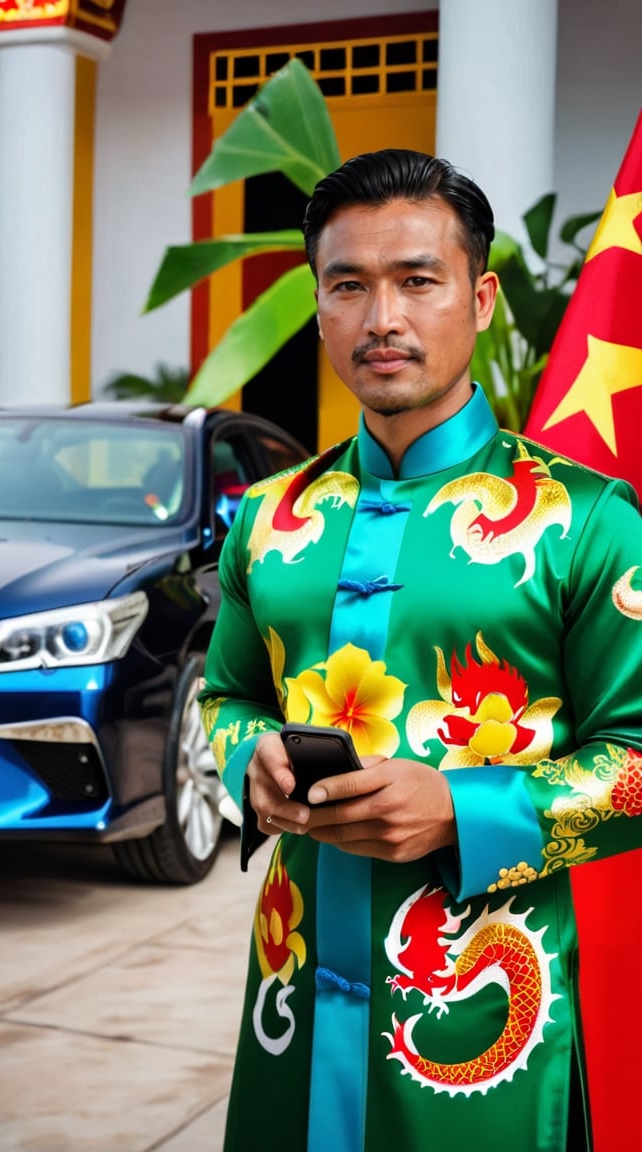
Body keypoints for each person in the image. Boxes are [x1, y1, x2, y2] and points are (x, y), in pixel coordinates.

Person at [198, 148, 642, 1152]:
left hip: (489, 1023)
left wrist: (460, 809)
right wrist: (247, 759)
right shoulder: (269, 521)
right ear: (318, 307)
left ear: (480, 299)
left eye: (417, 281)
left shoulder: (589, 522)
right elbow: (222, 697)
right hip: (293, 994)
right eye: (347, 286)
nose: (381, 318)